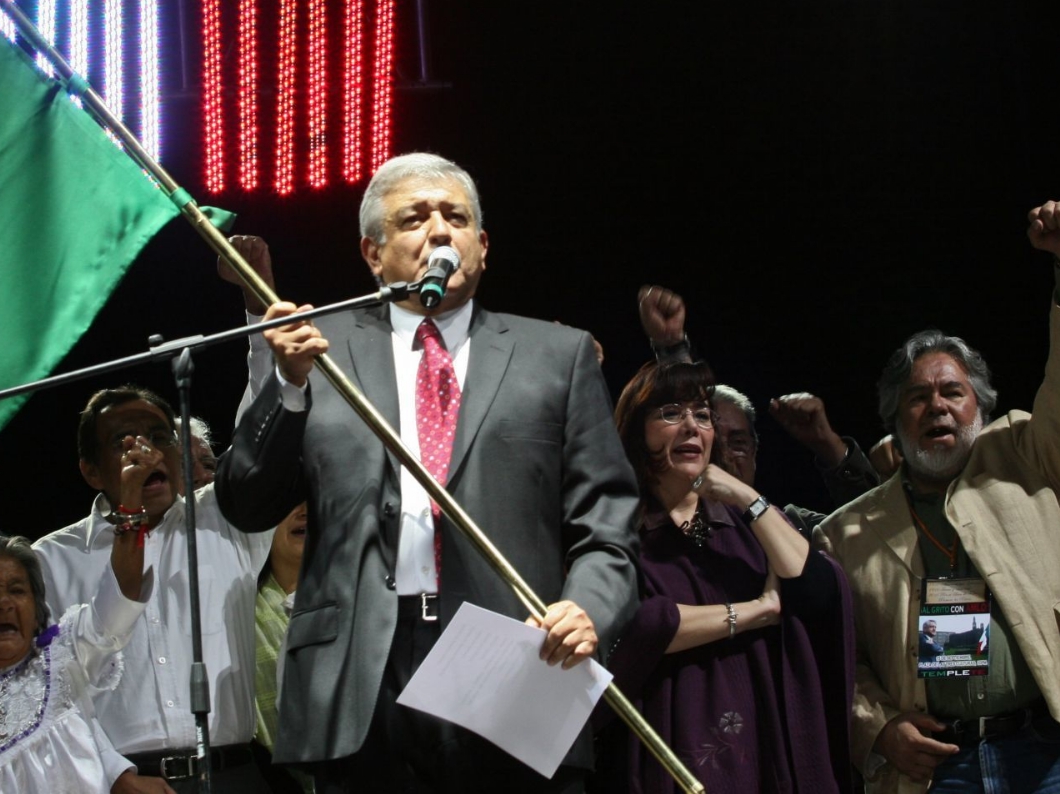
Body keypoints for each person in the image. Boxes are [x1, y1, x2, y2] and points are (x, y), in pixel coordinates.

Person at [219, 152, 640, 793]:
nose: (440, 232)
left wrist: (588, 607)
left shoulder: (557, 355)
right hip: (360, 668)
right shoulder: (317, 351)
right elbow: (246, 504)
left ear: (483, 244)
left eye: (457, 218)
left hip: (514, 655)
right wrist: (289, 389)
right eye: (415, 218)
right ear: (372, 252)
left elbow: (607, 522)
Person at [815, 200, 1060, 794]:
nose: (937, 406)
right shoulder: (845, 533)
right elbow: (835, 660)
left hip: (1047, 751)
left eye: (953, 392)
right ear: (894, 420)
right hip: (935, 770)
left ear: (980, 408)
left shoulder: (1032, 455)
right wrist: (877, 730)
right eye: (917, 397)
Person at [600, 359, 854, 794]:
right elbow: (637, 625)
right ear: (638, 431)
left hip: (769, 736)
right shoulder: (619, 527)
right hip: (674, 742)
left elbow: (817, 590)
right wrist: (758, 610)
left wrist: (746, 496)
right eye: (670, 413)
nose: (691, 427)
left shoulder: (745, 519)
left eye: (701, 415)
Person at [34, 387, 273, 793]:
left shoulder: (224, 518)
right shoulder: (51, 560)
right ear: (91, 471)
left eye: (160, 437)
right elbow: (51, 692)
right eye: (123, 442)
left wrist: (260, 332)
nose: (146, 452)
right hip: (131, 784)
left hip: (235, 774)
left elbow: (266, 434)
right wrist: (115, 775)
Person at [0, 424, 153, 794]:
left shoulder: (62, 662)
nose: (4, 602)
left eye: (17, 590)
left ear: (36, 607)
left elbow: (120, 596)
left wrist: (130, 505)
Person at [636, 286, 880, 531]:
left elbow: (877, 529)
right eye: (713, 444)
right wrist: (672, 350)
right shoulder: (652, 528)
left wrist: (828, 445)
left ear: (755, 453)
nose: (724, 458)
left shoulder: (791, 528)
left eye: (738, 443)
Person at [253, 503, 315, 794]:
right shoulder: (238, 612)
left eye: (312, 500)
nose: (304, 511)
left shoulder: (360, 600)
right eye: (289, 502)